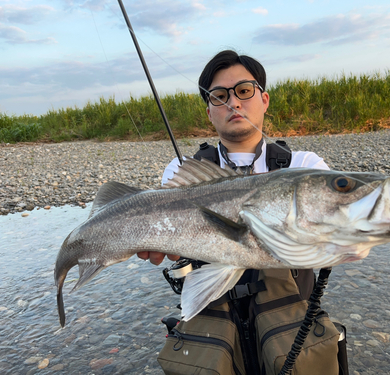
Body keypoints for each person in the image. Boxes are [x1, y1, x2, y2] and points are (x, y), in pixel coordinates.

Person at [137, 50, 345, 375]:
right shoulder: (182, 171)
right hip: (215, 325)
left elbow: (335, 238)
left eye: (244, 91)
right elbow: (170, 243)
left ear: (264, 99)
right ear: (208, 112)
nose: (233, 103)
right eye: (219, 96)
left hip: (288, 323)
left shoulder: (304, 166)